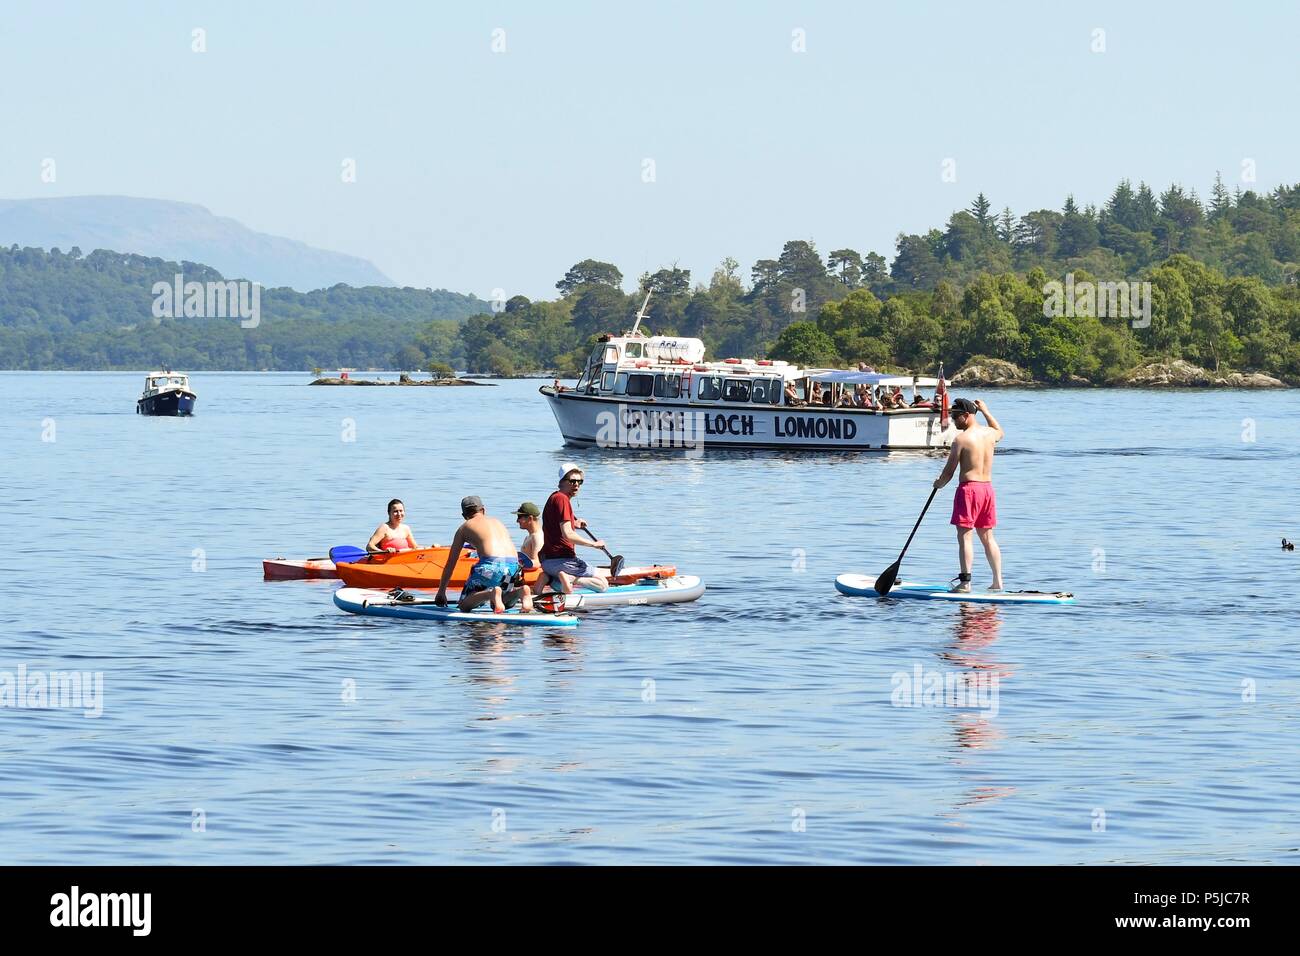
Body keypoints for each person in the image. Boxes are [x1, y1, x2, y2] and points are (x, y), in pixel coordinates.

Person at [933, 398, 1004, 593]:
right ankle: (997, 581)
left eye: (956, 416)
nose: (954, 420)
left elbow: (948, 473)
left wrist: (938, 484)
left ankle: (965, 583)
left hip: (969, 490)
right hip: (987, 490)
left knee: (965, 537)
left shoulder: (961, 440)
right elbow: (1000, 431)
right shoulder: (989, 434)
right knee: (988, 536)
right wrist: (986, 410)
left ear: (967, 415)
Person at [434, 496, 529, 613]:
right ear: (483, 510)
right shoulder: (497, 522)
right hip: (514, 566)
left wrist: (441, 591)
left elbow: (450, 563)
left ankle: (491, 593)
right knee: (499, 603)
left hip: (492, 566)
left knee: (464, 605)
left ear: (464, 516)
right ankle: (521, 592)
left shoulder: (464, 528)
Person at [539, 463, 610, 593]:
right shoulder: (563, 500)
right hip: (564, 560)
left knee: (563, 580)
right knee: (603, 584)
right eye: (572, 481)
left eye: (579, 481)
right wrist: (594, 544)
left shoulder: (554, 497)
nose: (576, 485)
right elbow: (568, 535)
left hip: (547, 562)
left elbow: (556, 527)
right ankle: (571, 579)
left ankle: (549, 578)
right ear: (562, 482)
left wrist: (574, 523)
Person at [514, 502, 544, 567]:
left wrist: (516, 565)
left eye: (519, 517)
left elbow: (537, 562)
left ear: (530, 518)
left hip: (533, 575)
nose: (517, 520)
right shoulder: (528, 537)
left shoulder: (537, 537)